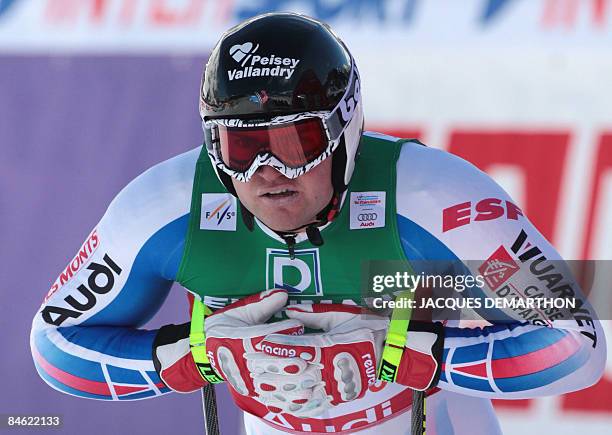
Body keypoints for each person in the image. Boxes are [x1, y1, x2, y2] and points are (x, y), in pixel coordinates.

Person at [30, 13, 606, 435]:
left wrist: (418, 352)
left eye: (292, 141)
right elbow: (52, 345)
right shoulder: (161, 207)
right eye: (239, 146)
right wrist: (188, 356)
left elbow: (577, 344)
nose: (267, 171)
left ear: (345, 129)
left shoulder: (437, 198)